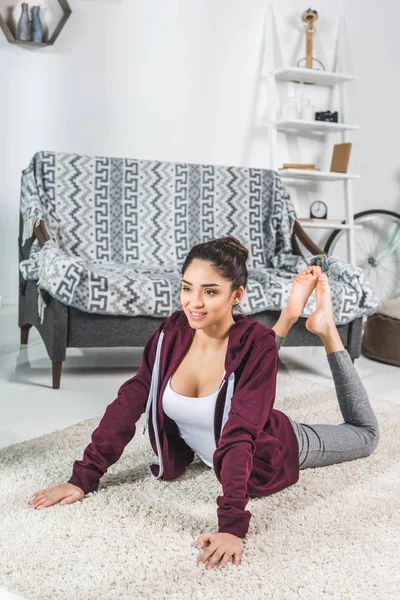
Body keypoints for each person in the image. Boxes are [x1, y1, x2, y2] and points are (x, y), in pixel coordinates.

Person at [28, 236, 379, 571]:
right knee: (256, 356)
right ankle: (290, 314)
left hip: (273, 444)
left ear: (236, 295)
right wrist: (84, 476)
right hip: (246, 399)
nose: (193, 302)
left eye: (210, 291)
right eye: (187, 288)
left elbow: (241, 432)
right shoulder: (171, 334)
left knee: (365, 436)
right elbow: (129, 401)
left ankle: (327, 328)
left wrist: (232, 524)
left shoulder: (255, 343)